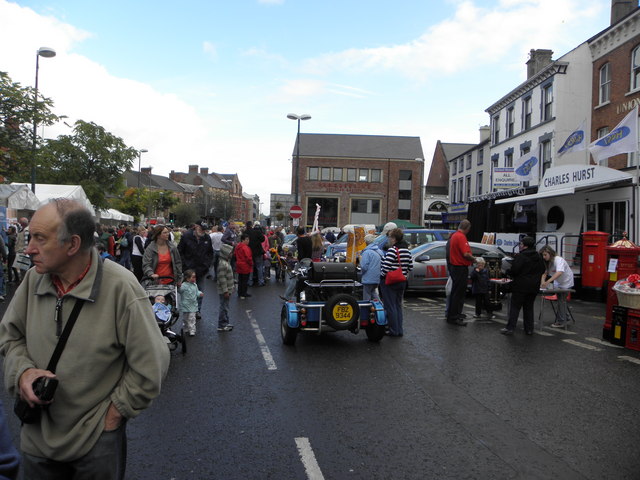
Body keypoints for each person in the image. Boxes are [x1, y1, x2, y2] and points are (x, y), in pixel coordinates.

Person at [0, 198, 169, 479]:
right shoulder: (33, 280)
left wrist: (114, 415)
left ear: (73, 244)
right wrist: (23, 372)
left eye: (40, 239)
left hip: (96, 442)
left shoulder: (121, 287)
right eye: (30, 237)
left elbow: (153, 362)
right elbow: (9, 336)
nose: (29, 249)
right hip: (36, 438)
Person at [501, 236, 546, 335]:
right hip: (534, 286)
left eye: (521, 244)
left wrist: (508, 271)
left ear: (524, 246)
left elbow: (515, 271)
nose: (520, 245)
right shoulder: (539, 256)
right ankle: (529, 329)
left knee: (515, 307)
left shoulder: (521, 256)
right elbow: (542, 270)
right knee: (529, 307)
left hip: (520, 286)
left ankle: (510, 328)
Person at [379, 228, 413, 337]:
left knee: (390, 306)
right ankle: (399, 330)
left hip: (390, 281)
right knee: (398, 306)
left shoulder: (393, 250)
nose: (388, 239)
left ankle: (393, 330)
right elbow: (410, 267)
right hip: (402, 281)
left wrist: (381, 276)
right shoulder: (407, 251)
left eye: (389, 237)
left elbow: (385, 267)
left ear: (394, 238)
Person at [178, 222, 213, 318]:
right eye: (201, 229)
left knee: (200, 290)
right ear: (196, 227)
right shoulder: (186, 236)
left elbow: (210, 253)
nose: (203, 232)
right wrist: (185, 265)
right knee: (188, 291)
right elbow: (180, 251)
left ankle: (197, 310)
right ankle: (187, 310)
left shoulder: (207, 238)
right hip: (189, 269)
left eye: (204, 230)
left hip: (201, 269)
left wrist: (207, 265)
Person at [446, 219, 476, 326]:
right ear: (467, 228)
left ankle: (451, 315)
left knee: (454, 293)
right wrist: (475, 259)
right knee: (458, 294)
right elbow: (466, 254)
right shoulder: (461, 237)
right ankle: (454, 317)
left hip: (455, 267)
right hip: (460, 268)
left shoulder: (454, 236)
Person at [540, 245, 575, 328]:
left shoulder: (558, 260)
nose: (544, 257)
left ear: (550, 253)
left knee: (561, 301)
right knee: (561, 301)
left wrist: (547, 282)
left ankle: (561, 321)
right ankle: (566, 317)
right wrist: (543, 283)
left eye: (545, 255)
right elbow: (544, 274)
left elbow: (559, 272)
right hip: (559, 282)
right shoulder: (549, 262)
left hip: (566, 282)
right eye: (543, 255)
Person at [215, 243, 235, 332]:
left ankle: (226, 322)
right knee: (224, 307)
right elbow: (222, 279)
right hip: (224, 290)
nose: (232, 254)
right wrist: (225, 291)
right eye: (230, 252)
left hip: (228, 289)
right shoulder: (222, 264)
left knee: (226, 306)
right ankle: (222, 324)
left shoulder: (226, 262)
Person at [178, 269, 203, 336]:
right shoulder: (184, 285)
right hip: (185, 305)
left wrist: (200, 293)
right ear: (187, 278)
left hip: (193, 305)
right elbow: (180, 291)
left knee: (192, 318)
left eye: (195, 277)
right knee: (185, 319)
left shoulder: (195, 285)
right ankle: (186, 328)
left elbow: (196, 292)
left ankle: (192, 330)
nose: (194, 279)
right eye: (193, 277)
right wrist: (179, 286)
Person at [360, 234, 384, 301]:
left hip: (368, 278)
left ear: (366, 242)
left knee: (367, 295)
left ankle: (366, 309)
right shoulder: (379, 251)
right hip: (377, 277)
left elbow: (364, 266)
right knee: (373, 293)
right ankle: (379, 307)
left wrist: (361, 273)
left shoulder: (367, 252)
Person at [234, 233, 253, 299]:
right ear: (243, 240)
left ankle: (240, 293)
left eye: (248, 239)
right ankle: (243, 293)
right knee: (245, 280)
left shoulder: (238, 246)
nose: (248, 241)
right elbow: (248, 258)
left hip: (239, 264)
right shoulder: (245, 248)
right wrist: (251, 263)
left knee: (240, 280)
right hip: (245, 265)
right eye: (246, 239)